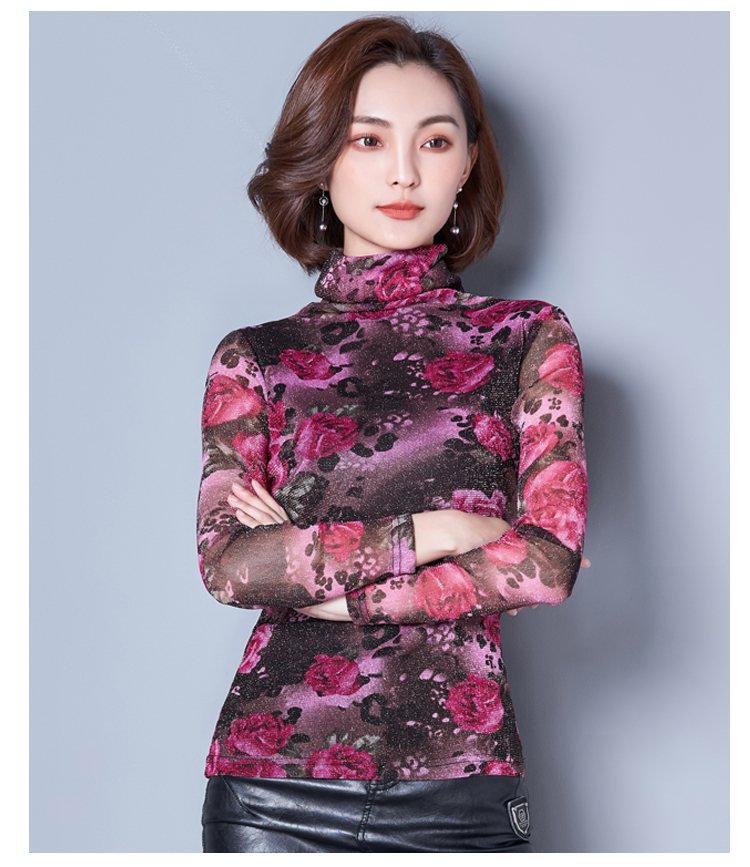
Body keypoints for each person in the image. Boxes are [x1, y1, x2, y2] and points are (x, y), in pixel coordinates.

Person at [197, 15, 588, 853]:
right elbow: (231, 566)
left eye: (434, 141)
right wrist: (447, 529)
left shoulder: (529, 337)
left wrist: (319, 581)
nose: (404, 171)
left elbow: (547, 563)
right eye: (368, 140)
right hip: (271, 784)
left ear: (467, 163)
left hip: (462, 779)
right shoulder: (255, 358)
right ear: (320, 158)